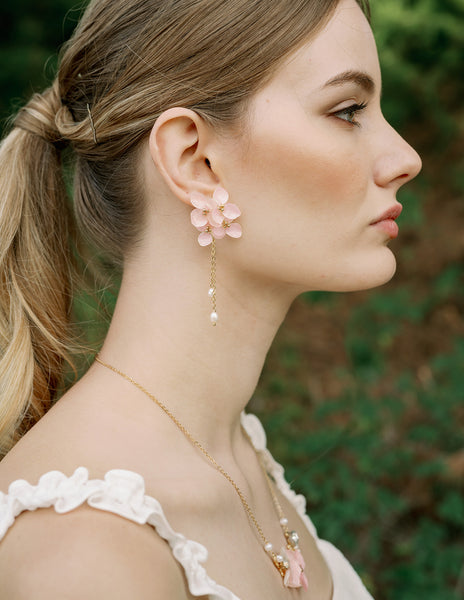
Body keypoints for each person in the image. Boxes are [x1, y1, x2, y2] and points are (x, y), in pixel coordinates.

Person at [0, 0, 422, 597]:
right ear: (194, 160)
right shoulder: (86, 553)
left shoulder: (237, 448)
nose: (406, 158)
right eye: (348, 110)